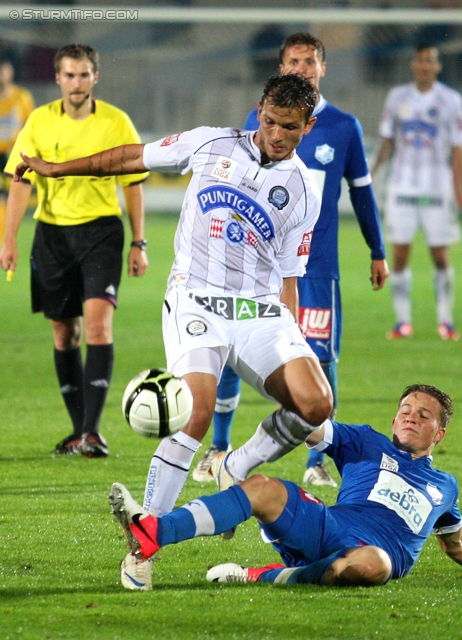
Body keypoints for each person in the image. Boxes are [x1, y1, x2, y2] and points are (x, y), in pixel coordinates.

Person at [13, 73, 334, 590]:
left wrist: (290, 337)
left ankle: (238, 464)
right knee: (195, 412)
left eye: (289, 128)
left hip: (257, 308)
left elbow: (289, 273)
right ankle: (146, 541)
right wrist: (57, 169)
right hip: (196, 298)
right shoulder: (210, 143)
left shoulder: (303, 190)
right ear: (260, 110)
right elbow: (129, 157)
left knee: (317, 403)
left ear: (307, 126)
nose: (276, 134)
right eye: (270, 121)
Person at [193, 32, 389, 488]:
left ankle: (317, 461)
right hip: (254, 267)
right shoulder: (258, 120)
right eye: (293, 60)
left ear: (323, 68)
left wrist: (377, 249)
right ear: (281, 68)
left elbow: (362, 194)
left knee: (317, 357)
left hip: (317, 267)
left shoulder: (344, 126)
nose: (301, 67)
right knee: (231, 350)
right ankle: (219, 448)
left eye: (309, 61)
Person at [109, 384, 462, 589]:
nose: (411, 417)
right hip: (327, 528)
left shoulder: (445, 487)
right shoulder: (367, 442)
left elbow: (455, 545)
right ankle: (155, 531)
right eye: (405, 410)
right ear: (394, 418)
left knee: (374, 564)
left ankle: (259, 576)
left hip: (371, 557)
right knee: (262, 487)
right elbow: (310, 424)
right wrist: (288, 387)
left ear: (439, 434)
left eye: (423, 415)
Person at [0, 44, 149, 457]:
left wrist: (139, 242)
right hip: (52, 236)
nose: (77, 83)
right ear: (58, 78)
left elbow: (133, 184)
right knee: (65, 333)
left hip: (101, 233)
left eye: (84, 75)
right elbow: (19, 180)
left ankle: (92, 432)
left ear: (95, 77)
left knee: (98, 326)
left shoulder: (117, 122)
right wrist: (9, 240)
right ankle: (77, 431)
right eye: (69, 75)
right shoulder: (39, 121)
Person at [372, 43, 462, 341]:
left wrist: (458, 188)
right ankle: (403, 322)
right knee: (399, 253)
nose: (425, 65)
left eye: (431, 61)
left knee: (440, 254)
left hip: (437, 187)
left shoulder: (451, 100)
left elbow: (457, 149)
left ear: (438, 66)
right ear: (413, 64)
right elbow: (387, 140)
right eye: (420, 60)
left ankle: (446, 321)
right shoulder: (397, 97)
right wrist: (372, 173)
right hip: (402, 185)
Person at [0, 59, 35, 244]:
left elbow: (32, 125)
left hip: (13, 155)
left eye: (4, 71)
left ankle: (5, 240)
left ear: (10, 73)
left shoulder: (22, 97)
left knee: (7, 199)